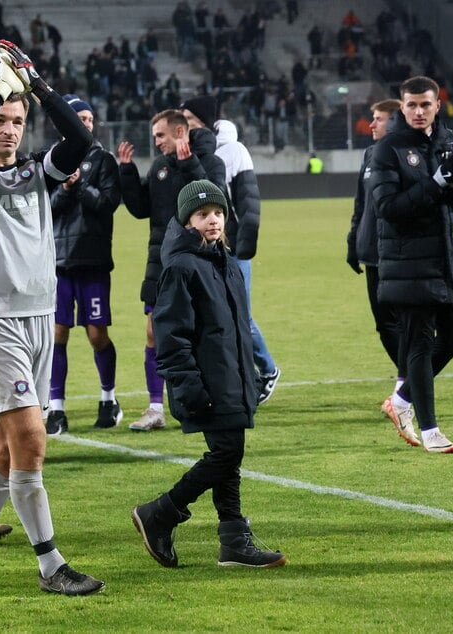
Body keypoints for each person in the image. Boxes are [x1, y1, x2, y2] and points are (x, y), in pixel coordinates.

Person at [0, 40, 104, 596]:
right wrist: (0, 88)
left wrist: (35, 86)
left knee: (7, 449)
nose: (7, 129)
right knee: (33, 441)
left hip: (39, 317)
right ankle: (51, 565)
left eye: (16, 121)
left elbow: (81, 139)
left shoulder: (38, 173)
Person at [132, 179, 286, 569]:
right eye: (202, 215)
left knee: (228, 455)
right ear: (187, 222)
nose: (213, 220)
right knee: (226, 453)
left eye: (217, 213)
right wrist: (190, 386)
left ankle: (233, 540)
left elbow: (235, 330)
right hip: (206, 384)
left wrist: (247, 378)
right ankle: (160, 513)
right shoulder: (182, 268)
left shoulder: (227, 264)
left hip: (232, 381)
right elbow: (171, 337)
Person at [370, 75, 453, 453]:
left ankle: (401, 400)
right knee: (419, 343)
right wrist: (435, 184)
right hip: (408, 266)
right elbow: (389, 208)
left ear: (438, 105)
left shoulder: (448, 140)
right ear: (402, 107)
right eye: (411, 105)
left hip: (447, 262)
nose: (418, 111)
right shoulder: (388, 149)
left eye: (425, 104)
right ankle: (431, 430)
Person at [117, 108, 227, 431]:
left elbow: (217, 200)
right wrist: (126, 172)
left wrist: (190, 164)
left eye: (161, 136)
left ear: (180, 133)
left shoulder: (207, 162)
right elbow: (141, 209)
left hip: (199, 263)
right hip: (160, 264)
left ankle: (207, 402)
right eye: (154, 137)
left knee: (202, 334)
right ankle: (155, 408)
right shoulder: (159, 167)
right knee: (154, 332)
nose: (156, 142)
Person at [181, 96, 281, 405]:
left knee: (240, 315)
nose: (185, 125)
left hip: (232, 248)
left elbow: (248, 202)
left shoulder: (233, 151)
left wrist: (244, 247)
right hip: (200, 250)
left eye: (190, 119)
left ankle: (266, 370)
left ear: (206, 120)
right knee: (212, 317)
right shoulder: (188, 153)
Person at [47, 94, 122, 434]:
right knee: (57, 334)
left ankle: (109, 399)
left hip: (92, 260)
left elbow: (108, 204)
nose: (87, 124)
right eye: (80, 118)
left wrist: (78, 189)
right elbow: (44, 209)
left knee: (96, 335)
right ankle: (57, 409)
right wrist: (64, 189)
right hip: (59, 263)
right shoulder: (50, 162)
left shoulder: (104, 161)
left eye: (90, 119)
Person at [346, 99, 404, 406]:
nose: (371, 124)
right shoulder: (369, 154)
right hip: (371, 252)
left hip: (396, 254)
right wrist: (353, 241)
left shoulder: (404, 156)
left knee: (405, 324)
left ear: (394, 123)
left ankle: (407, 385)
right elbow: (361, 204)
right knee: (384, 325)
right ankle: (407, 379)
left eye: (378, 119)